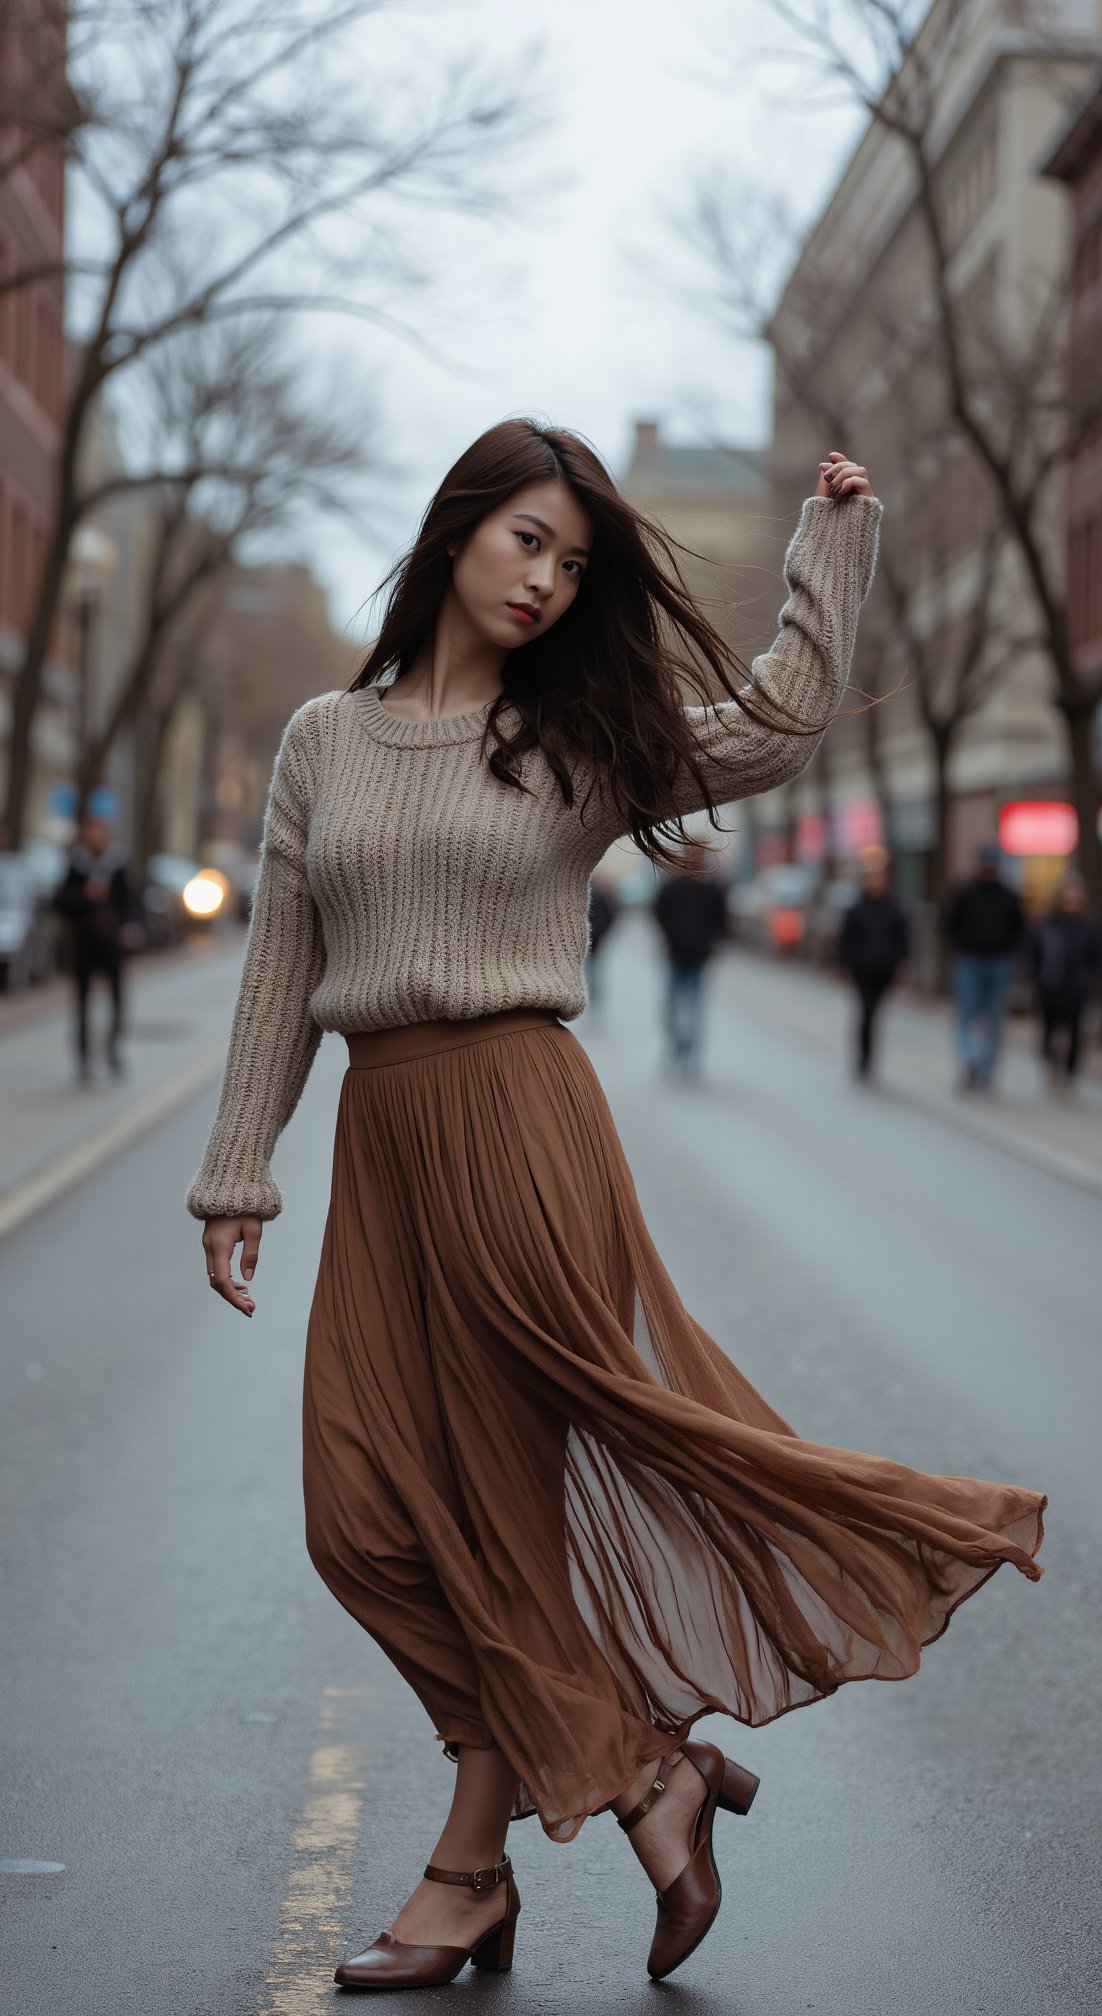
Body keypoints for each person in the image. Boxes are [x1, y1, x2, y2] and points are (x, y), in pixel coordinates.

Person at [185, 426, 1045, 1990]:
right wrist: (238, 1168)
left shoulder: (572, 733)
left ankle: (470, 1872)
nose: (548, 578)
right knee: (363, 1518)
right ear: (456, 532)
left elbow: (778, 727)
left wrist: (829, 548)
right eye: (528, 541)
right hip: (384, 1131)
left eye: (574, 561)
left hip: (520, 1123)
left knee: (504, 1516)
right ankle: (647, 1773)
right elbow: (279, 968)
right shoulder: (325, 737)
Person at [52, 812, 141, 1081]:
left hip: (112, 943)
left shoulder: (118, 864)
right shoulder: (76, 864)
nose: (95, 838)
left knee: (116, 999)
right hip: (83, 944)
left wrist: (131, 928)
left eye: (99, 833)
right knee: (81, 1003)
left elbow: (131, 902)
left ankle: (112, 1052)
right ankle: (83, 1059)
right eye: (91, 833)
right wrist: (84, 896)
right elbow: (60, 901)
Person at [943, 841, 1026, 1092]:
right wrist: (960, 946)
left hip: (999, 962)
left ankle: (986, 1069)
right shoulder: (965, 892)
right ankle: (970, 1061)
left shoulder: (1009, 896)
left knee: (994, 1018)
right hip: (969, 960)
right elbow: (948, 923)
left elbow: (1020, 928)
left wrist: (1009, 951)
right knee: (967, 1013)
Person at [652, 838, 729, 1077]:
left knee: (688, 1006)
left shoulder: (710, 888)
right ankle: (681, 1049)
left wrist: (712, 941)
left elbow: (722, 920)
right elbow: (658, 913)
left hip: (696, 956)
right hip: (680, 954)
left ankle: (688, 1055)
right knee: (675, 1007)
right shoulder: (674, 886)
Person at [1028, 871, 1102, 1090]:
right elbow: (1033, 953)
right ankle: (1051, 1064)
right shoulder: (1047, 924)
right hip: (1050, 986)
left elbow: (1098, 958)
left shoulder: (1091, 926)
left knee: (1075, 1032)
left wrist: (1090, 982)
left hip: (1077, 989)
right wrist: (1036, 979)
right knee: (1049, 1030)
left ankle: (1070, 1073)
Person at [835, 856, 909, 1079]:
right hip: (862, 969)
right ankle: (864, 1057)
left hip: (884, 969)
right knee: (867, 1012)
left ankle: (869, 1055)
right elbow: (846, 940)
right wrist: (844, 965)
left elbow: (902, 939)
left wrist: (903, 963)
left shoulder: (894, 909)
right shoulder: (856, 909)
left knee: (875, 1013)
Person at [583, 869, 619, 1014]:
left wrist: (602, 931)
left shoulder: (604, 899)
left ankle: (594, 993)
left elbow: (611, 917)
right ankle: (589, 992)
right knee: (588, 970)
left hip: (597, 941)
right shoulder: (586, 897)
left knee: (595, 970)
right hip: (586, 941)